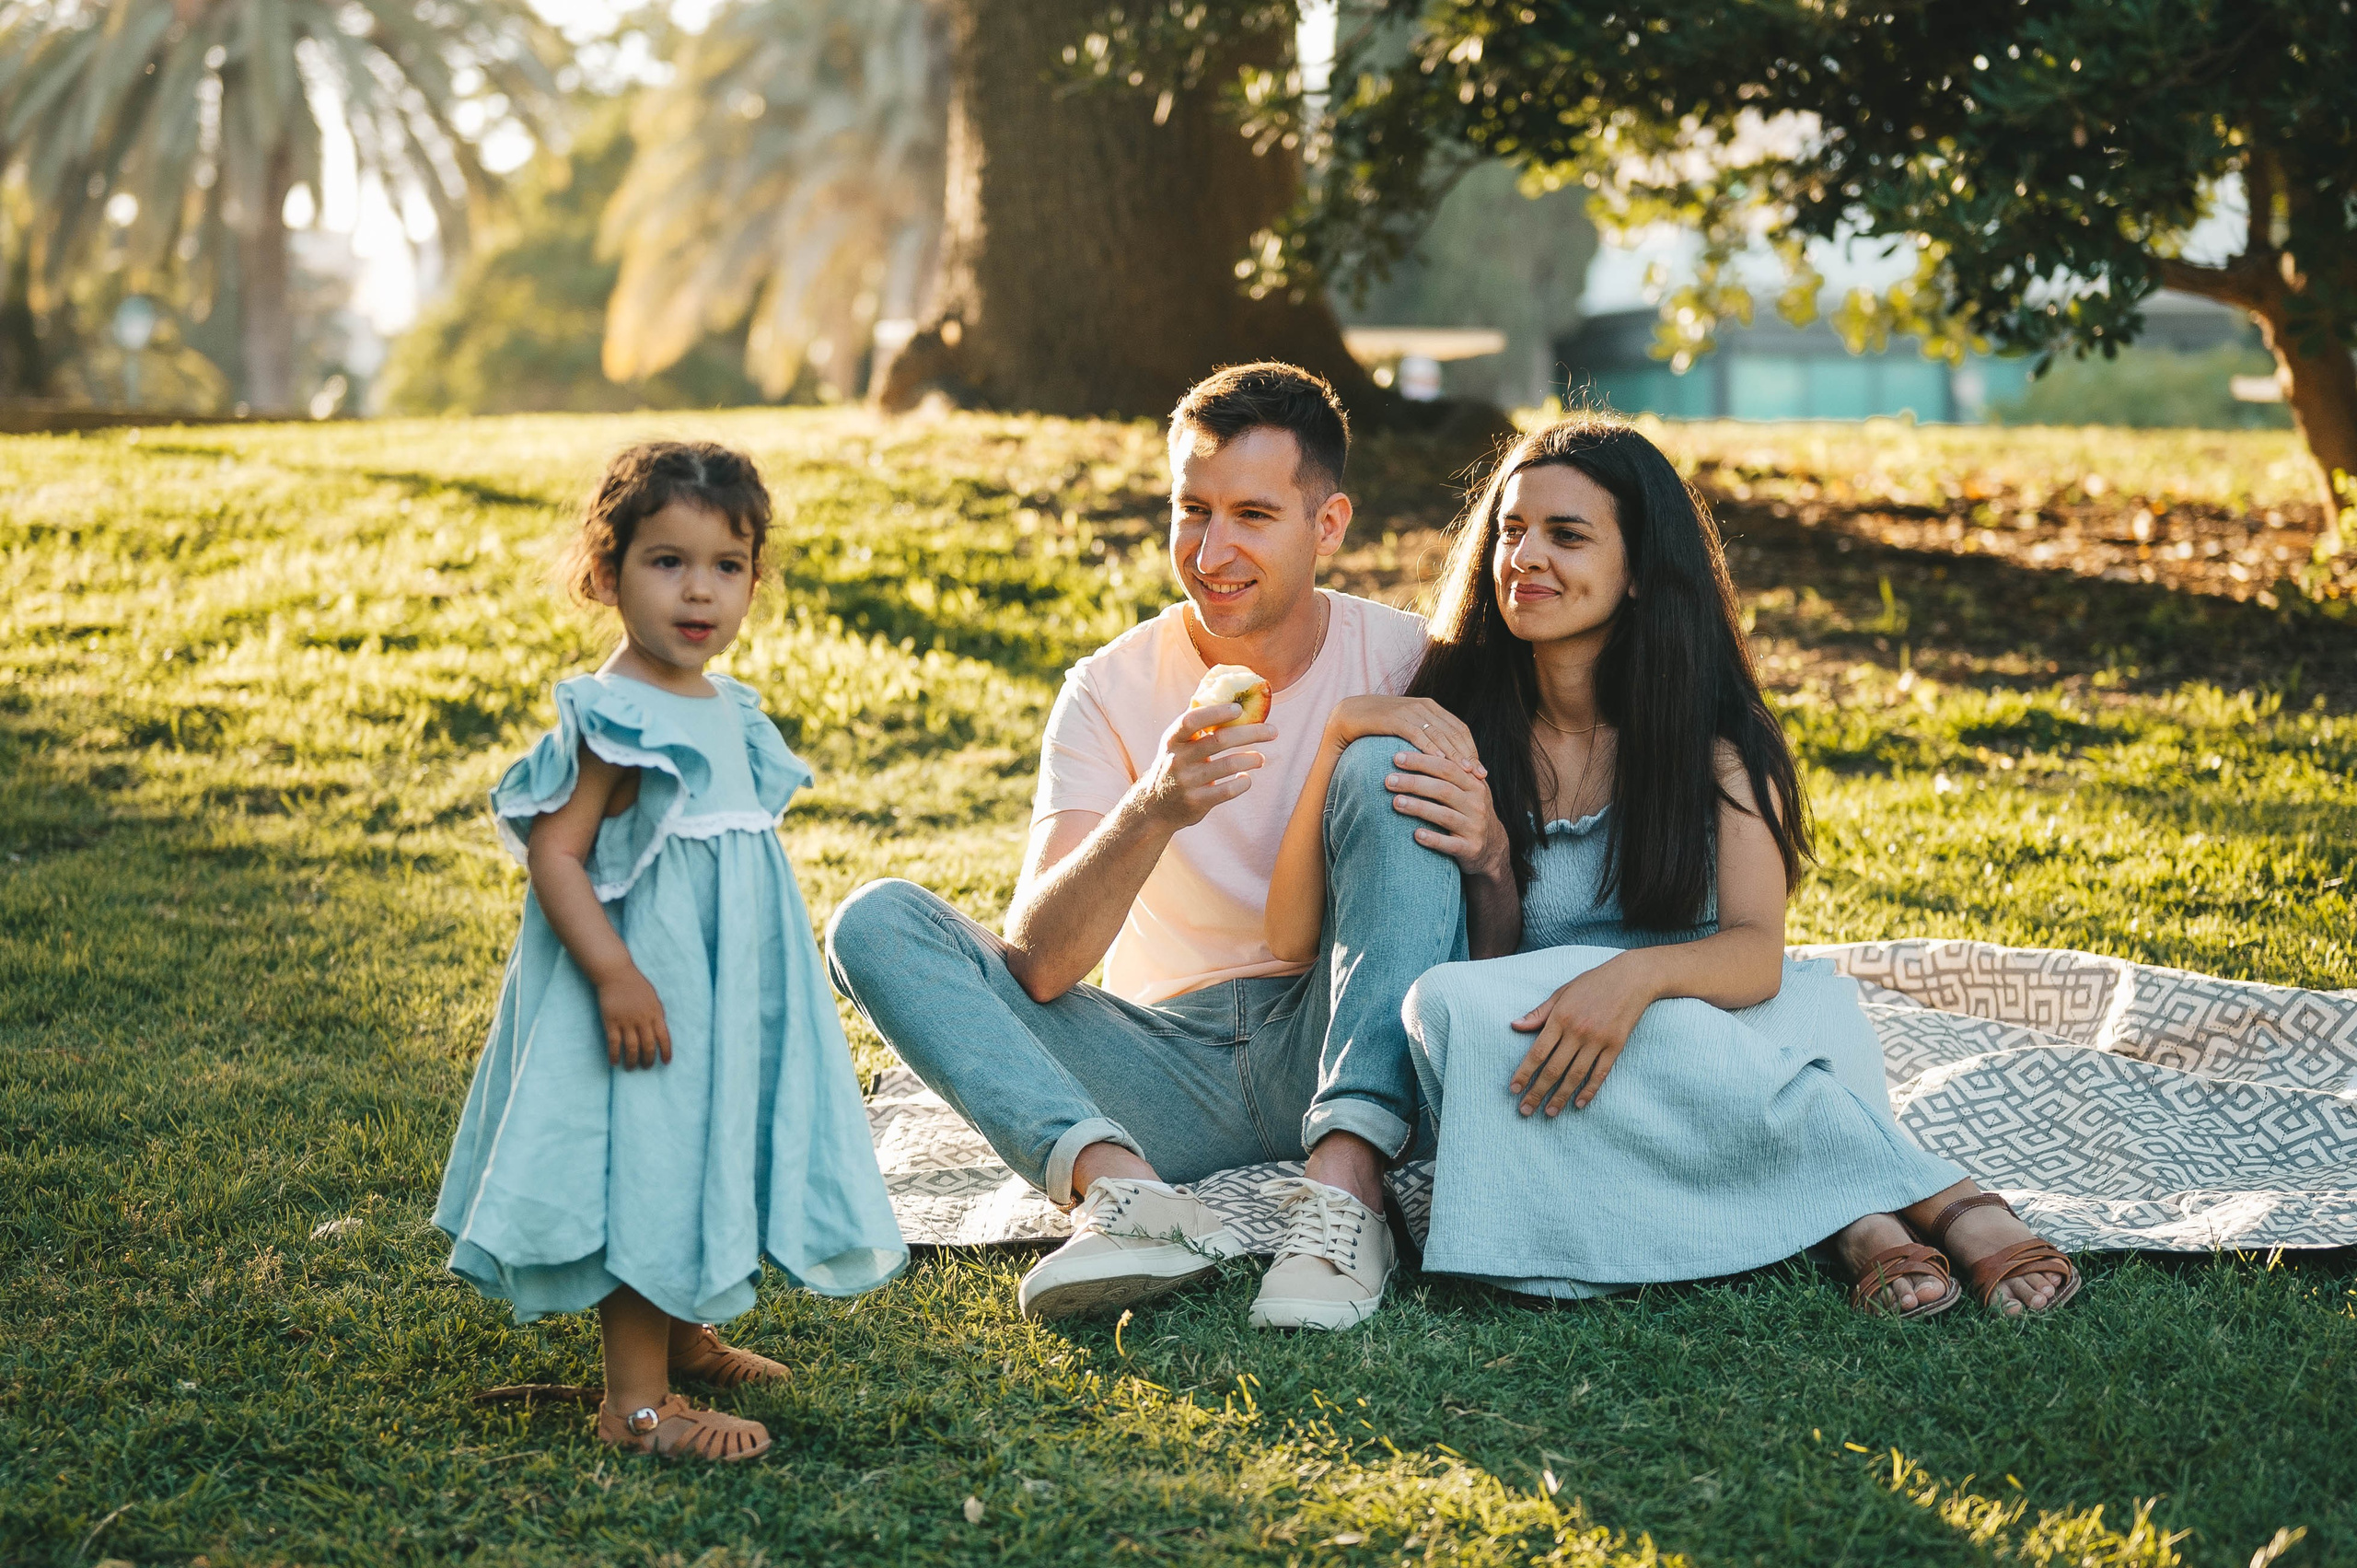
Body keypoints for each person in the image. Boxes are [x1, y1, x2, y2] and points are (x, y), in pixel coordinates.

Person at [1267, 416, 2083, 1318]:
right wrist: (1495, 865)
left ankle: (1885, 1206)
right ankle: (1873, 1200)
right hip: (1566, 1057)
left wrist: (1634, 979)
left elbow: (1754, 954)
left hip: (1725, 1022)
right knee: (1448, 1009)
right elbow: (1490, 977)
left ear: (1642, 573)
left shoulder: (1716, 741)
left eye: (1567, 535)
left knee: (1793, 1008)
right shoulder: (1461, 721)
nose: (1525, 556)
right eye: (1510, 529)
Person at [827, 363, 1502, 1330]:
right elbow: (1043, 964)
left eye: (1252, 515)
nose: (1211, 548)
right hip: (1163, 1064)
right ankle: (1134, 1200)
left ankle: (1346, 1186)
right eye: (1192, 509)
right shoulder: (1108, 687)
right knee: (873, 921)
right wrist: (1152, 806)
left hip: (1346, 1034)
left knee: (1384, 752)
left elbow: (1465, 919)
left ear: (1328, 525)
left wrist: (1481, 846)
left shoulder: (1406, 659)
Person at [435, 442, 906, 1464]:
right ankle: (637, 1404)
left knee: (706, 1144)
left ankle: (685, 1333)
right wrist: (614, 974)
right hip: (645, 989)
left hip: (724, 987)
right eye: (666, 561)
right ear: (606, 574)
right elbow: (554, 852)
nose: (700, 589)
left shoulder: (725, 704)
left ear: (752, 576)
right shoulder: (614, 711)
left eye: (726, 565)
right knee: (649, 1162)